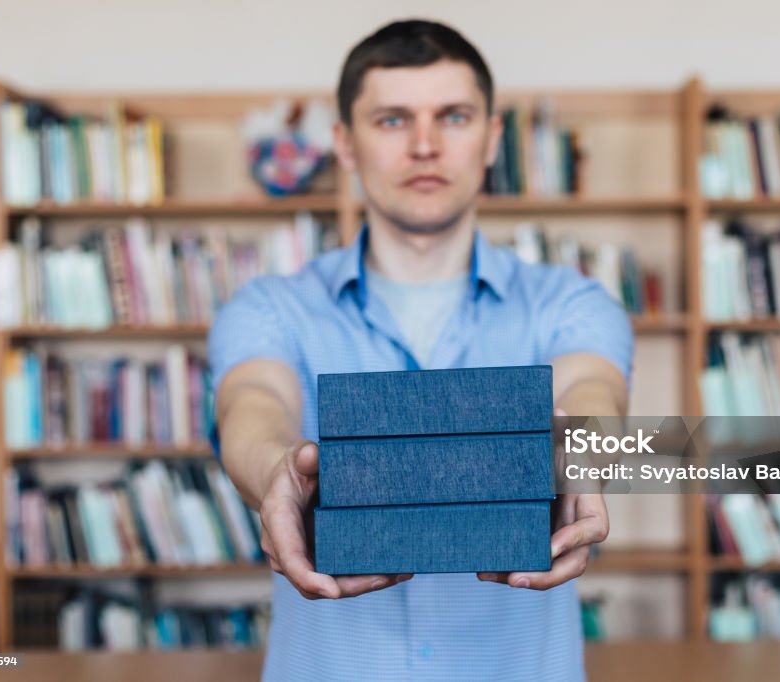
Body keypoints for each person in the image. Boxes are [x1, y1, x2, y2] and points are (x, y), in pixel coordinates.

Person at [208, 18, 633, 681]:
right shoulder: (268, 307)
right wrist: (273, 473)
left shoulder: (573, 302)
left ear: (493, 138)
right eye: (392, 120)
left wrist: (576, 450)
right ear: (344, 144)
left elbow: (591, 392)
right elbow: (252, 404)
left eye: (454, 117)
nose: (426, 146)